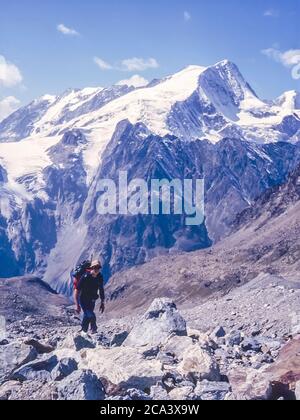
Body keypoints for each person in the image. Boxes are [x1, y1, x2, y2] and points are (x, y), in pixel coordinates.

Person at [76, 260, 105, 334]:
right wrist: (77, 304)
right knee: (91, 315)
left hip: (92, 300)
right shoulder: (85, 277)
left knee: (87, 316)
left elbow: (101, 289)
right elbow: (77, 290)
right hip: (83, 300)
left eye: (98, 267)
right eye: (95, 267)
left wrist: (102, 302)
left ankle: (83, 331)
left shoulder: (99, 277)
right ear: (91, 267)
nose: (97, 269)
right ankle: (94, 329)